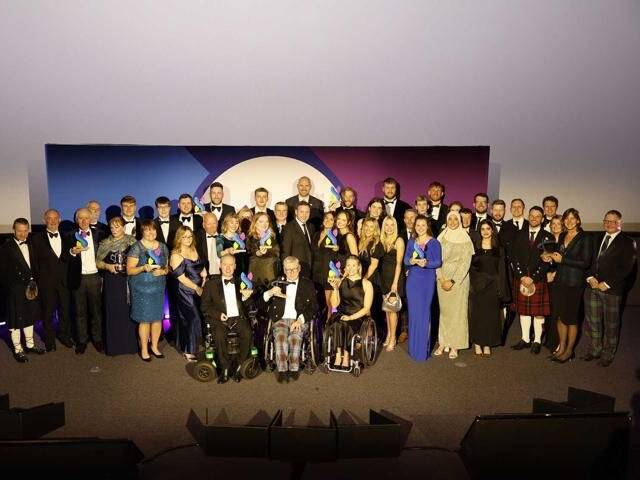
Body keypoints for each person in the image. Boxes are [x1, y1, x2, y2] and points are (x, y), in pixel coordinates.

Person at [582, 210, 636, 367]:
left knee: (611, 324)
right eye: (607, 220)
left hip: (612, 290)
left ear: (620, 223)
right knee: (592, 321)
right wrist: (590, 277)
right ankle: (595, 350)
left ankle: (608, 354)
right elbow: (588, 261)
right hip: (592, 287)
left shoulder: (627, 242)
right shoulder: (596, 238)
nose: (609, 224)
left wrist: (606, 284)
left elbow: (626, 268)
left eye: (613, 221)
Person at [541, 209, 591, 363]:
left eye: (572, 218)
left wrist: (563, 260)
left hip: (574, 284)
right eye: (566, 219)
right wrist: (548, 257)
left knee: (571, 319)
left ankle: (569, 351)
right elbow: (558, 256)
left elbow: (585, 262)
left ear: (577, 220)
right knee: (560, 317)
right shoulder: (562, 236)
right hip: (560, 282)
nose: (569, 221)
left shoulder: (585, 238)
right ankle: (561, 347)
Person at [200, 254, 255, 383]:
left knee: (247, 333)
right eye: (225, 264)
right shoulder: (211, 285)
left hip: (238, 318)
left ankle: (238, 365)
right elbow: (204, 307)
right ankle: (224, 368)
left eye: (231, 265)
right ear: (220, 265)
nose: (228, 268)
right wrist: (218, 315)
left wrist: (246, 297)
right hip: (220, 319)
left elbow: (250, 305)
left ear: (235, 266)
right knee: (219, 335)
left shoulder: (242, 282)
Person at [263, 256, 318, 382]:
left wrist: (300, 320)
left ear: (299, 268)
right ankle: (282, 369)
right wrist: (270, 292)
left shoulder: (307, 284)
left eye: (293, 269)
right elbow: (261, 303)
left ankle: (294, 367)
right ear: (284, 270)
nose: (291, 272)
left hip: (298, 319)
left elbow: (314, 307)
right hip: (280, 319)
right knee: (281, 338)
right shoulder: (277, 283)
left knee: (294, 338)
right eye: (288, 270)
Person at [510, 206, 554, 354]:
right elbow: (514, 257)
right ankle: (525, 339)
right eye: (532, 216)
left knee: (538, 313)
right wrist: (521, 276)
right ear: (529, 216)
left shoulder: (548, 236)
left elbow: (547, 261)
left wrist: (533, 278)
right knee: (523, 311)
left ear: (542, 218)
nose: (534, 218)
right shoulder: (519, 234)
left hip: (538, 278)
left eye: (537, 216)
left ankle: (537, 341)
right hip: (521, 277)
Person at [0, 218, 45, 362]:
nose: (22, 234)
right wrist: (11, 288)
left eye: (25, 230)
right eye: (19, 230)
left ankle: (30, 345)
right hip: (16, 289)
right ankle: (18, 350)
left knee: (30, 317)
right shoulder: (6, 247)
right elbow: (2, 272)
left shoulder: (31, 244)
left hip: (31, 287)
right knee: (16, 320)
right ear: (14, 229)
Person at [127, 220, 169, 362]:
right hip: (141, 289)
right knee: (144, 320)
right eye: (147, 230)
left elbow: (167, 267)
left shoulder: (163, 247)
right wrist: (143, 268)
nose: (151, 233)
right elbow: (130, 270)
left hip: (158, 288)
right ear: (142, 232)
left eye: (153, 230)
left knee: (157, 319)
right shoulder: (136, 247)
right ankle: (144, 349)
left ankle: (155, 347)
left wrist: (163, 272)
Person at [31, 208, 73, 351]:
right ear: (44, 220)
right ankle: (49, 341)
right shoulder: (36, 239)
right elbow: (34, 263)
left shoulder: (68, 237)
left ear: (59, 220)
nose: (53, 221)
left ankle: (64, 336)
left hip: (64, 283)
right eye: (50, 218)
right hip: (46, 283)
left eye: (56, 218)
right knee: (47, 313)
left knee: (65, 312)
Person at [96, 216, 137, 355]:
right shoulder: (105, 243)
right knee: (113, 312)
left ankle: (130, 346)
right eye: (112, 227)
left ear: (124, 227)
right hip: (112, 282)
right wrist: (107, 266)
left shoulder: (132, 242)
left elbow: (139, 259)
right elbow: (97, 262)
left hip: (127, 281)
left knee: (128, 311)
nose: (114, 230)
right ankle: (114, 348)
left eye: (117, 226)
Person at [434, 211, 474, 359]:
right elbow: (435, 258)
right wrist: (441, 277)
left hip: (459, 281)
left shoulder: (465, 239)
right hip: (442, 278)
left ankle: (455, 345)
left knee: (457, 313)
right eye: (449, 218)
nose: (452, 221)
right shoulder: (441, 237)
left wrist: (453, 280)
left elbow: (465, 263)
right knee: (444, 313)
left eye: (455, 219)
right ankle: (443, 342)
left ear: (460, 221)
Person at [68, 207, 106, 354]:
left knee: (96, 311)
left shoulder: (100, 234)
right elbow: (65, 256)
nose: (84, 221)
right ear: (77, 220)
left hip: (95, 277)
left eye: (86, 218)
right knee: (79, 312)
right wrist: (72, 252)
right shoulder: (70, 235)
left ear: (90, 219)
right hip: (78, 278)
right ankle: (82, 341)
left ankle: (97, 339)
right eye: (80, 218)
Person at [469, 221, 510, 356]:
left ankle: (487, 344)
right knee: (477, 316)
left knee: (491, 317)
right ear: (479, 231)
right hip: (477, 287)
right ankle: (477, 343)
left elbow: (502, 270)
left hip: (493, 288)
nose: (485, 231)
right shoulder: (474, 248)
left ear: (492, 231)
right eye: (482, 229)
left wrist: (501, 289)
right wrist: (478, 282)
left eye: (488, 229)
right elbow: (470, 268)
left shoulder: (500, 249)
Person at [403, 215, 442, 361]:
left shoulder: (434, 243)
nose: (420, 227)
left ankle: (422, 351)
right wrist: (411, 260)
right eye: (417, 225)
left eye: (423, 225)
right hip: (413, 280)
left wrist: (426, 263)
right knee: (413, 314)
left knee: (424, 314)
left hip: (426, 281)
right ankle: (413, 349)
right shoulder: (411, 242)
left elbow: (438, 262)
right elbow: (406, 259)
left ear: (427, 226)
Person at [327, 255, 374, 368]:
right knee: (337, 323)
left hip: (357, 316)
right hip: (341, 312)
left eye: (353, 265)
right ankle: (338, 355)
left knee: (347, 325)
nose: (351, 268)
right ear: (345, 267)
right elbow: (334, 304)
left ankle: (347, 356)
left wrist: (351, 317)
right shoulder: (341, 281)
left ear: (359, 267)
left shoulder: (366, 284)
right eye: (348, 265)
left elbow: (366, 308)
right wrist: (335, 289)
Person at [170, 226, 205, 361]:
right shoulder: (175, 255)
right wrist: (196, 288)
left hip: (198, 288)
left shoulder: (194, 249)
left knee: (197, 317)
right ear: (179, 238)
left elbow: (199, 266)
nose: (188, 239)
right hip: (185, 291)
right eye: (184, 236)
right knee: (191, 318)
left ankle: (194, 345)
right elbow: (182, 278)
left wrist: (204, 275)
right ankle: (188, 350)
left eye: (190, 236)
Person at [379, 216, 405, 352]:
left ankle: (393, 338)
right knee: (387, 309)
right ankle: (389, 334)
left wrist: (395, 283)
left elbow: (399, 264)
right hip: (384, 278)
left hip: (395, 279)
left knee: (393, 310)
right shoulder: (382, 240)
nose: (389, 228)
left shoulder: (399, 240)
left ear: (395, 226)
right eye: (386, 225)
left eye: (391, 225)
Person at [311, 211, 341, 321]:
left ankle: (329, 325)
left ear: (334, 222)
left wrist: (338, 248)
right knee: (318, 300)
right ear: (323, 220)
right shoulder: (316, 234)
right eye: (326, 218)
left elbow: (341, 253)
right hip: (316, 272)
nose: (328, 221)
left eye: (331, 219)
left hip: (329, 272)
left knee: (329, 302)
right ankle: (319, 325)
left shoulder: (336, 235)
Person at [542, 214, 563, 353]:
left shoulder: (566, 241)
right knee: (548, 312)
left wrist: (556, 274)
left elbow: (568, 261)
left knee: (558, 313)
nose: (555, 226)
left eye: (558, 224)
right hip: (548, 280)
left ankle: (559, 343)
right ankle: (550, 341)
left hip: (561, 281)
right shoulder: (547, 240)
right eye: (553, 224)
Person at [281, 201, 315, 278]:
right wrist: (288, 271)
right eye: (301, 212)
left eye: (307, 212)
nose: (304, 215)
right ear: (296, 212)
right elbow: (285, 252)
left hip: (309, 270)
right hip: (295, 271)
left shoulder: (311, 227)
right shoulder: (288, 228)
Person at [247, 212, 281, 288]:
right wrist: (260, 252)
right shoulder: (251, 237)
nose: (264, 224)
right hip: (256, 272)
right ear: (255, 223)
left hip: (271, 272)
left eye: (267, 221)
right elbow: (252, 251)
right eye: (261, 221)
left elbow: (277, 252)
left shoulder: (272, 236)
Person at [358, 217, 384, 287]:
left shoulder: (376, 243)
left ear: (375, 229)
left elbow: (373, 265)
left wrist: (364, 279)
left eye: (371, 227)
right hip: (361, 276)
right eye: (366, 226)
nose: (368, 229)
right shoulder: (361, 241)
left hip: (371, 279)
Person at [196, 213, 222, 277]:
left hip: (222, 274)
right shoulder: (197, 237)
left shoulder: (223, 236)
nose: (212, 227)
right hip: (204, 275)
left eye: (214, 223)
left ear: (217, 223)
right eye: (209, 224)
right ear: (203, 225)